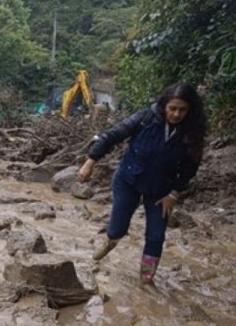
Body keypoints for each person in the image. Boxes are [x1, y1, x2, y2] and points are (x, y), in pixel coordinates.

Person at [77, 83, 207, 284]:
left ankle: (146, 280)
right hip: (128, 181)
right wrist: (90, 161)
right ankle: (111, 241)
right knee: (118, 228)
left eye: (182, 110)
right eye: (172, 108)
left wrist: (174, 194)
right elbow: (112, 135)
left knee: (156, 236)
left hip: (161, 190)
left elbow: (191, 167)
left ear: (190, 110)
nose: (176, 114)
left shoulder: (192, 132)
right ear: (164, 105)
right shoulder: (146, 118)